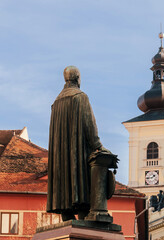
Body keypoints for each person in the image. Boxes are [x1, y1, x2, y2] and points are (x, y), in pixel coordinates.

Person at [46, 66, 102, 221]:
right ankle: (84, 224)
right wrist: (98, 145)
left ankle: (67, 221)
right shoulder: (80, 97)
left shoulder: (56, 102)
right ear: (78, 78)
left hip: (60, 157)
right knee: (82, 191)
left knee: (64, 195)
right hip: (78, 153)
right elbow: (89, 124)